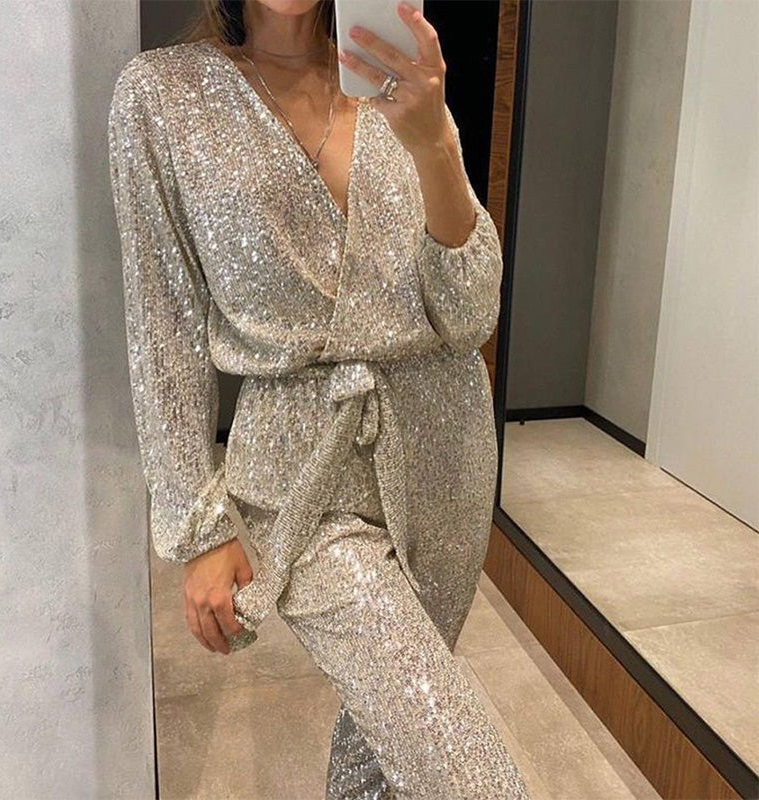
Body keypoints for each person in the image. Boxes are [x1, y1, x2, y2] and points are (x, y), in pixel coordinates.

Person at [107, 0, 531, 797]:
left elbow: (471, 312)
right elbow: (162, 322)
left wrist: (434, 140)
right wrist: (198, 527)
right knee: (471, 775)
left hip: (447, 449)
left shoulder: (396, 79)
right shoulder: (162, 95)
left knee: (385, 751)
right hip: (302, 469)